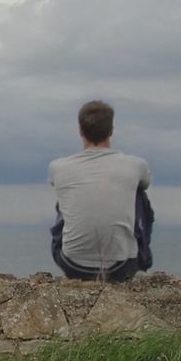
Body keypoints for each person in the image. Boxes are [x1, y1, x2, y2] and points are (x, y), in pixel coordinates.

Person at [48, 100, 154, 281]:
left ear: (80, 131)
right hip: (122, 266)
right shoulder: (136, 165)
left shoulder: (57, 167)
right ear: (111, 130)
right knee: (138, 193)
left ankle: (79, 248)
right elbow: (146, 183)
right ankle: (142, 256)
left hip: (73, 265)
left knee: (66, 196)